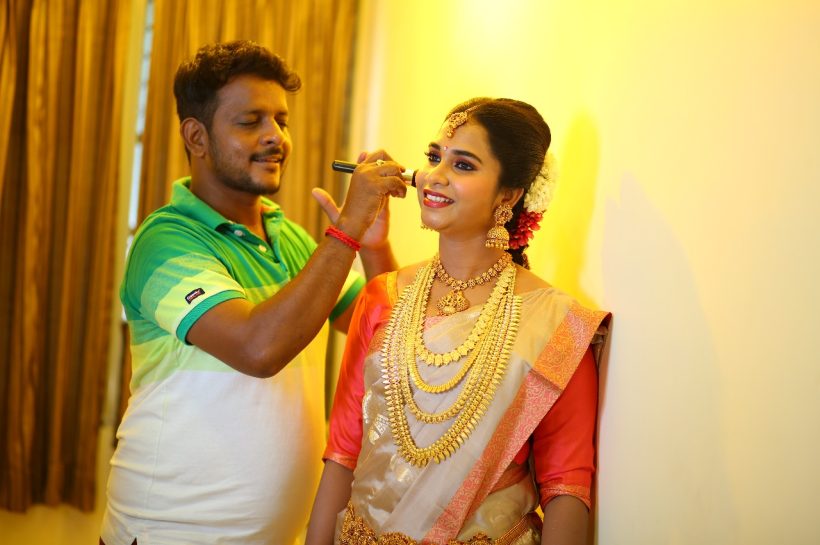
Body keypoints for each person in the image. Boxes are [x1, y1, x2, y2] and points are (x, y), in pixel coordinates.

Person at [100, 41, 409, 545]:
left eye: (281, 121)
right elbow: (258, 349)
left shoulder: (291, 239)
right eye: (250, 122)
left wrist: (374, 245)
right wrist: (348, 229)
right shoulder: (166, 241)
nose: (275, 137)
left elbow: (389, 338)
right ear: (196, 137)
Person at [305, 98, 611, 545]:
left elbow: (566, 487)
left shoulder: (556, 326)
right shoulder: (382, 297)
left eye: (463, 165)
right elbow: (343, 453)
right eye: (433, 157)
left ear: (508, 195)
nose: (434, 175)